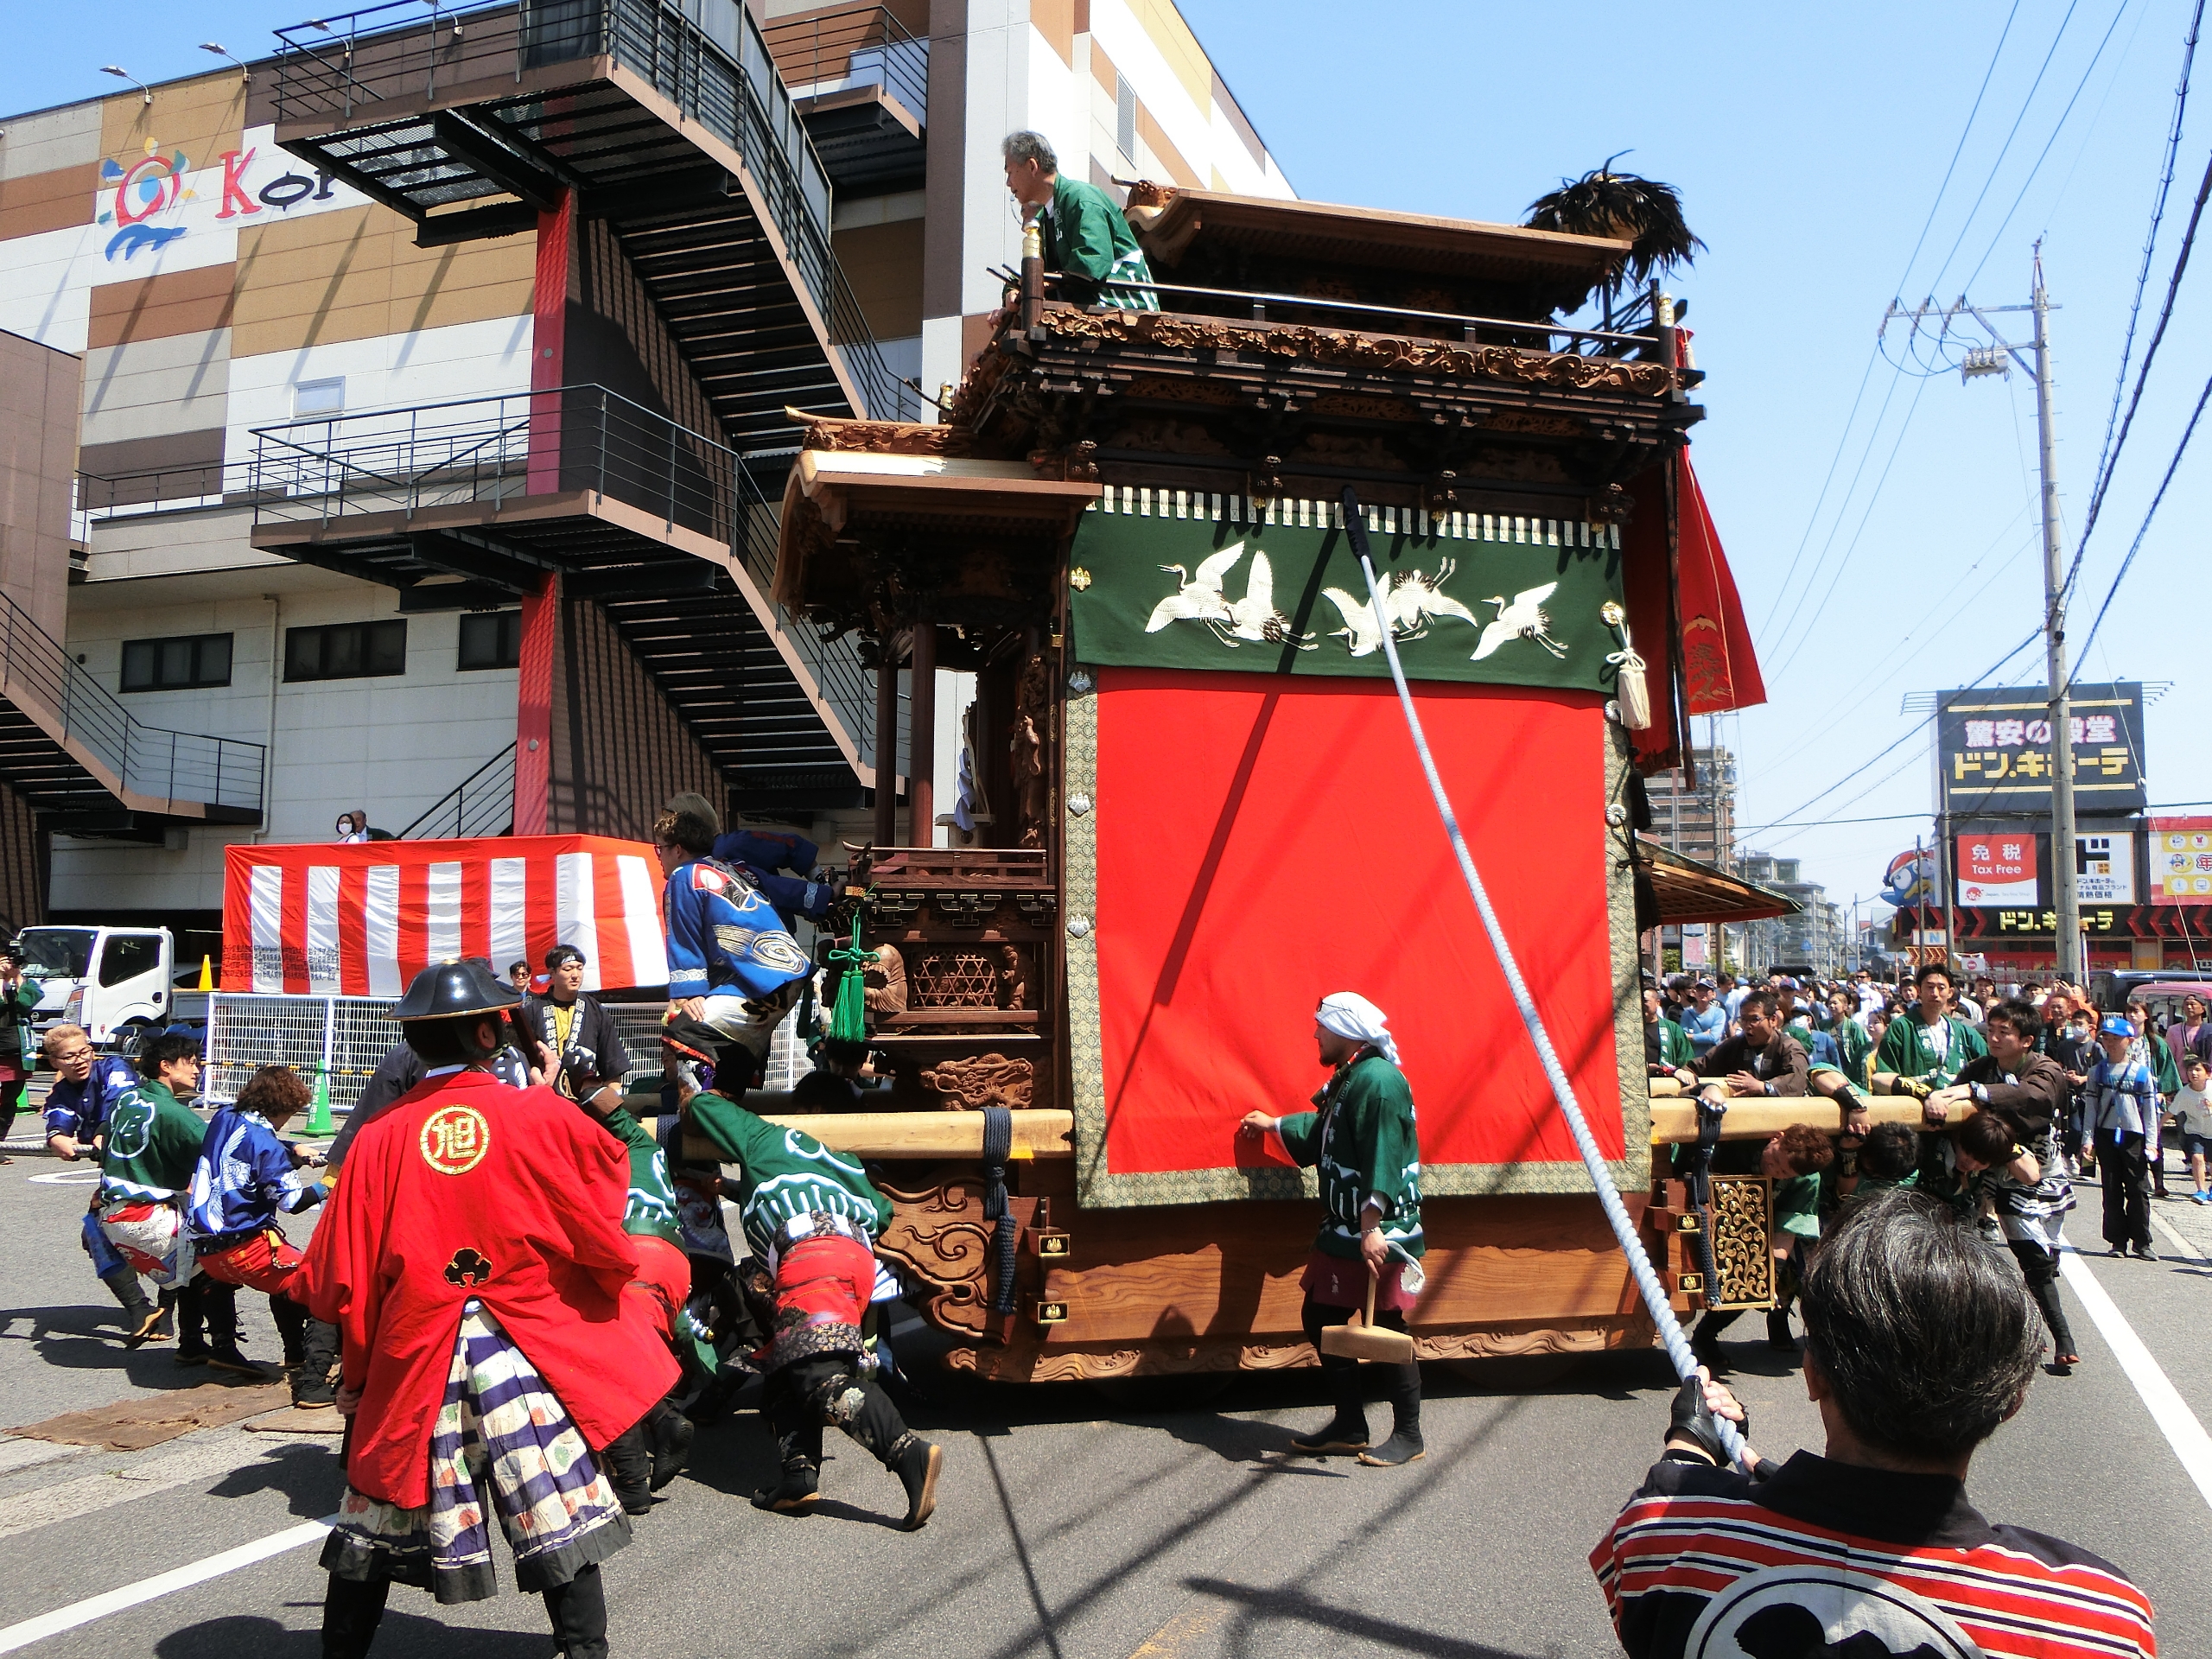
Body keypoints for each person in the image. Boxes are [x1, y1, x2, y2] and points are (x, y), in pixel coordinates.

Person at [295, 959, 677, 1659]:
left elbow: (341, 1275)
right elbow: (602, 1203)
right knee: (552, 1495)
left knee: (376, 1511)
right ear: (487, 1033)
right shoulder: (539, 1113)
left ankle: (341, 1654)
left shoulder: (377, 1138)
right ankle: (584, 1651)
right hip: (518, 1342)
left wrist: (357, 1373)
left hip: (416, 1345)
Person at [1593, 1189, 2155, 1659]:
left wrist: (1690, 1441)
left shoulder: (1665, 1540)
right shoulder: (2097, 1620)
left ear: (1813, 1374)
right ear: (2012, 1401)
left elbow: (1665, 1523)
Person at [664, 1020, 943, 1525]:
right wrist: (738, 1192)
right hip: (851, 1260)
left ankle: (907, 1452)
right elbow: (882, 1213)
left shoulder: (767, 1136)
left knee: (817, 1374)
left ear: (806, 1112)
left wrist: (687, 1083)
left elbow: (703, 1108)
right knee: (784, 1361)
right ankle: (798, 1477)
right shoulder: (848, 1162)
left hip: (811, 1259)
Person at [1237, 992, 1427, 1466]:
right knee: (1321, 1315)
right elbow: (1325, 1132)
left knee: (1388, 1327)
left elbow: (1384, 1154)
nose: (1315, 1033)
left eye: (1321, 1026)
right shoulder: (1352, 1076)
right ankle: (1350, 1424)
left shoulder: (1378, 1082)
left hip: (1379, 1228)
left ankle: (1409, 1435)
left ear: (1345, 1030)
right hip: (1345, 1228)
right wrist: (1274, 1125)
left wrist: (1371, 1227)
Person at [1934, 1000, 2080, 1375]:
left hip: (2045, 1169)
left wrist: (1979, 1093)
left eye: (2004, 1032)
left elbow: (2035, 1097)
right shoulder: (1981, 1068)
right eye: (1992, 1030)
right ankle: (2061, 1339)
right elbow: (1954, 1096)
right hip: (1999, 1170)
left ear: (2027, 1040)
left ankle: (2038, 1324)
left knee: (2047, 1258)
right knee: (2031, 1258)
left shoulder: (2045, 1069)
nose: (1994, 1038)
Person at [188, 1065, 341, 1402]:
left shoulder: (225, 1116)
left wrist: (292, 1148)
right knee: (316, 1284)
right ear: (280, 1108)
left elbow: (248, 1146)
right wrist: (330, 1183)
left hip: (205, 1249)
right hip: (246, 1249)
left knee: (284, 1278)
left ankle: (248, 1349)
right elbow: (292, 1202)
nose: (288, 1120)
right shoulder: (267, 1146)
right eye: (290, 1113)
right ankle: (311, 1378)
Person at [654, 804, 811, 1088]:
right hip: (784, 974)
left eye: (660, 849)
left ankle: (701, 1109)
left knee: (684, 1032)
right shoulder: (730, 868)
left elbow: (685, 937)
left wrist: (690, 992)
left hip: (758, 982)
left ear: (677, 849)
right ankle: (729, 1092)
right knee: (728, 1063)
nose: (659, 857)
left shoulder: (685, 876)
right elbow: (779, 888)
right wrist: (823, 893)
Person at [42, 1022, 165, 1342]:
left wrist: (103, 1131)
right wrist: (57, 1136)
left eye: (84, 1052)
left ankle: (170, 1311)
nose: (80, 1060)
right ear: (54, 1062)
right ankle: (142, 1309)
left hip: (157, 1164)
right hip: (119, 1171)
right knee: (96, 1233)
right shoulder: (63, 1091)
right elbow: (59, 1115)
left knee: (167, 1235)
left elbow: (121, 1101)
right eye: (69, 1057)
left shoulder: (114, 1068)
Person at [94, 1032, 207, 1357]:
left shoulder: (127, 1099)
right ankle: (207, 1346)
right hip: (145, 1217)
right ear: (165, 1066)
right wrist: (286, 1151)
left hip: (111, 1216)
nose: (197, 1070)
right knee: (211, 1266)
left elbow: (103, 1134)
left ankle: (157, 1316)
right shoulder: (172, 1112)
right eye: (190, 1062)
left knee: (185, 1262)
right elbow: (223, 1147)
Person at [1687, 1124, 1833, 1370]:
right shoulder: (1741, 1139)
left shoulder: (1807, 1179)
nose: (1774, 1169)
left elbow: (1786, 1231)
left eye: (1784, 1172)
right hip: (1710, 1212)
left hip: (1757, 1230)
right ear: (1777, 1138)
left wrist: (1770, 1275)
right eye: (1776, 1160)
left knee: (1754, 1278)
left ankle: (1707, 1333)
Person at [1001, 130, 1159, 310]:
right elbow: (1029, 269)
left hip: (1126, 307)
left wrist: (1045, 281)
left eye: (1010, 172)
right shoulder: (1044, 218)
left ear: (1032, 166)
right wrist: (1012, 292)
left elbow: (1092, 260)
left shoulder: (1081, 198)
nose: (1008, 183)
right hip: (1085, 310)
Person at [2086, 1012, 2160, 1261]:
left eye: (2116, 1039)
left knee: (2138, 1189)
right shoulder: (2096, 1072)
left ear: (2129, 1040)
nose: (2110, 1043)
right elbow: (2091, 1108)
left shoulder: (2141, 1073)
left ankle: (2142, 1241)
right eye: (2106, 1038)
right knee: (2111, 1188)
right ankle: (2117, 1241)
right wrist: (2088, 1139)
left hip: (2133, 1135)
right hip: (2106, 1134)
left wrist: (2152, 1143)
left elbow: (2150, 1112)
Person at [520, 945, 630, 1111]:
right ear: (552, 972)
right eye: (568, 969)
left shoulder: (595, 1010)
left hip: (585, 1101)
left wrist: (612, 1107)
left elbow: (612, 1065)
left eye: (579, 968)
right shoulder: (532, 1011)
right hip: (543, 1101)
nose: (575, 975)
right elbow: (521, 1061)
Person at [1872, 962, 1986, 1095]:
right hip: (1914, 1105)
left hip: (1955, 1105)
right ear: (1919, 990)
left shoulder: (1964, 1032)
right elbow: (1884, 1076)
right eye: (1930, 987)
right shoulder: (1901, 1028)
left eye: (1941, 988)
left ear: (1950, 992)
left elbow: (1988, 1067)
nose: (1935, 993)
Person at [1691, 990, 1808, 1103]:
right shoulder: (1734, 1045)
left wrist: (1763, 1087)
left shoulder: (1789, 1047)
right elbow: (1699, 1066)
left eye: (1754, 1019)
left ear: (1773, 1020)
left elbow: (1797, 1080)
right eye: (1743, 1019)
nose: (1747, 1026)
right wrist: (1685, 1073)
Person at [0, 944, 41, 1162]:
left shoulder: (25, 983)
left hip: (16, 1051)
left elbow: (26, 1004)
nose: (9, 965)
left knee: (9, 1100)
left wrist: (17, 978)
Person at [2172, 1052, 2212, 1205]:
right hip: (2194, 1130)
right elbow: (2172, 1111)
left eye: (2198, 1070)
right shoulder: (2184, 1093)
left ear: (2208, 1074)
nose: (2193, 1073)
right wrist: (2158, 1127)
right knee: (2197, 1158)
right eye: (2190, 1070)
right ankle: (2201, 1191)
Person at [1642, 987, 1695, 1077]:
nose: (1641, 1004)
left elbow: (1686, 1060)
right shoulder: (1629, 1030)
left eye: (1645, 1001)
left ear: (1657, 1003)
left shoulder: (1673, 1029)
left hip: (1666, 1081)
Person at [1679, 979, 1727, 1060]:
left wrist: (1691, 1036)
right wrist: (1704, 1034)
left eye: (1706, 990)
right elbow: (1683, 1036)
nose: (1702, 993)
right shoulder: (1687, 1013)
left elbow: (1713, 1037)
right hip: (1692, 1059)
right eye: (1699, 990)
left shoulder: (1719, 1013)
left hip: (1713, 1058)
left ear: (1713, 994)